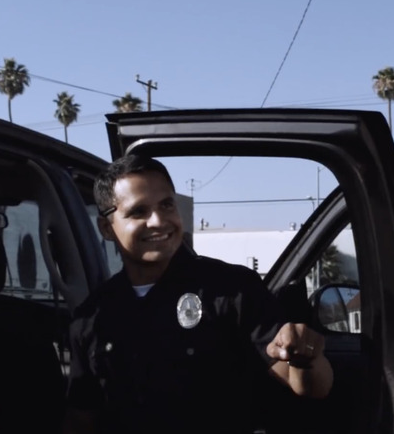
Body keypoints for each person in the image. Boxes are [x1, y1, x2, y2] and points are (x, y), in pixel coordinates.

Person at [64, 154, 333, 434]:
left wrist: (305, 356)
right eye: (139, 212)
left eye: (167, 205)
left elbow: (310, 386)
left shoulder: (232, 289)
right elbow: (81, 417)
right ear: (107, 228)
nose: (158, 221)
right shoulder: (92, 316)